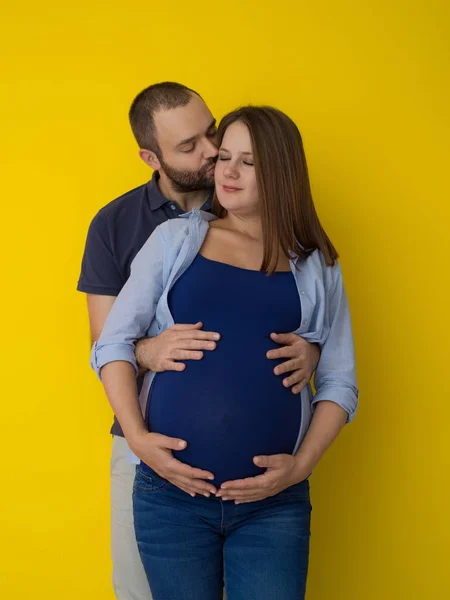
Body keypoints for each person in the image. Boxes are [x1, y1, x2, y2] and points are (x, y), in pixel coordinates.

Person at [91, 105, 358, 600]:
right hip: (170, 497)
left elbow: (341, 383)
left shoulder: (317, 265)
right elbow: (112, 344)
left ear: (281, 171)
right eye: (225, 157)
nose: (227, 172)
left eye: (249, 162)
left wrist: (300, 468)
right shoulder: (174, 239)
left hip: (272, 505)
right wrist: (139, 439)